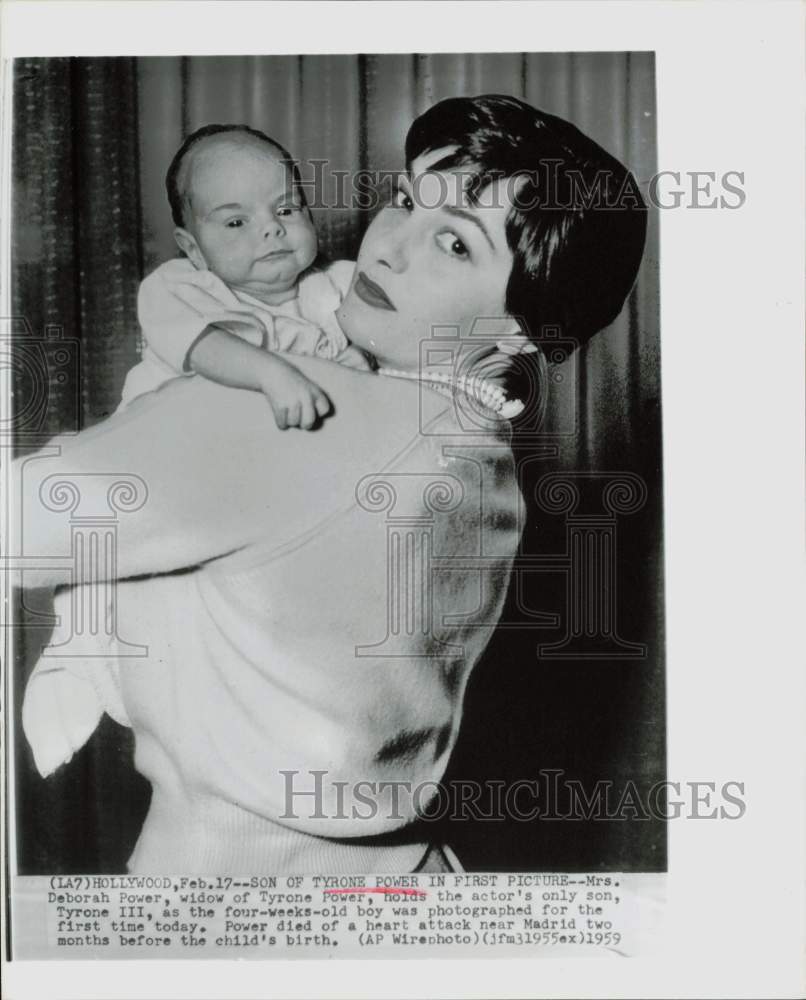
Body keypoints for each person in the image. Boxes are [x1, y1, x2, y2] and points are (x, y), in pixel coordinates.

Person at [14, 95, 647, 874]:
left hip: (237, 910)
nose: (387, 249)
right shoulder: (486, 452)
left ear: (520, 327)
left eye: (453, 243)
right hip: (414, 891)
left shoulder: (296, 411)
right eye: (408, 200)